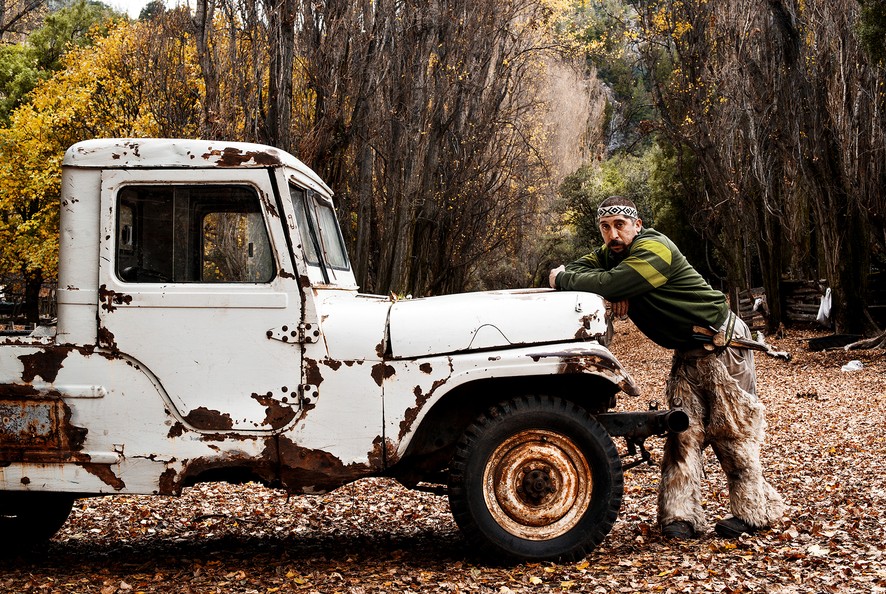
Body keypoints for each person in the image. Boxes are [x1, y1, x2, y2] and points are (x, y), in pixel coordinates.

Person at [549, 196, 784, 539]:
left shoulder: (655, 248)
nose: (613, 234)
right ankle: (680, 516)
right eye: (605, 227)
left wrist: (611, 284)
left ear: (637, 225)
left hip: (723, 345)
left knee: (731, 430)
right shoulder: (609, 256)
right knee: (682, 433)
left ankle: (754, 511)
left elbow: (603, 283)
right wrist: (606, 280)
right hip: (687, 354)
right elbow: (576, 270)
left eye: (620, 225)